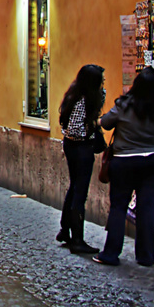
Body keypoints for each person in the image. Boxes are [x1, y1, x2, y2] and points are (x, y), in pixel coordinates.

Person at [94, 67, 154, 267]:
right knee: (146, 208)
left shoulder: (124, 106)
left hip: (125, 161)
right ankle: (146, 256)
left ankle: (111, 253)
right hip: (152, 161)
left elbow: (106, 124)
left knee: (119, 207)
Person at [57, 64, 106, 254]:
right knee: (79, 192)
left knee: (74, 186)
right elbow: (74, 130)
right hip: (80, 147)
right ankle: (77, 238)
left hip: (73, 147)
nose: (103, 83)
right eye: (100, 80)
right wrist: (91, 127)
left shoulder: (76, 95)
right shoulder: (82, 101)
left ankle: (65, 228)